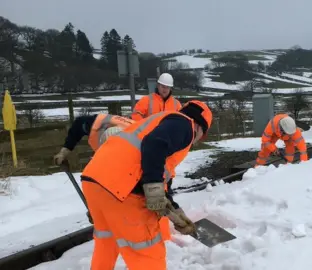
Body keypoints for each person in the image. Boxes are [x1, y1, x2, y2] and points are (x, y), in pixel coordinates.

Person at [80, 100, 213, 270]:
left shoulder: (158, 121)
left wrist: (174, 209)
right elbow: (154, 144)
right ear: (200, 128)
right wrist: (153, 187)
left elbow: (159, 173)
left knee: (107, 242)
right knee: (147, 253)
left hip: (95, 180)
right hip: (122, 189)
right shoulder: (184, 124)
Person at [53, 114, 135, 165]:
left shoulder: (139, 130)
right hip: (99, 125)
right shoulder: (92, 124)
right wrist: (63, 152)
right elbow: (78, 125)